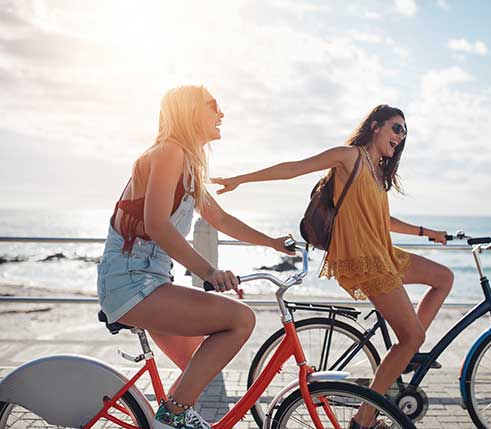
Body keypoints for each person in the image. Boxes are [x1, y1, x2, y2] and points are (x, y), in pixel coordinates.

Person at [213, 104, 454, 427]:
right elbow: (294, 169)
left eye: (405, 132)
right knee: (411, 337)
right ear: (375, 126)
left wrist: (427, 233)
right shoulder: (349, 157)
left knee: (443, 277)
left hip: (384, 254)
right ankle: (364, 418)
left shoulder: (379, 171)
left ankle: (405, 354)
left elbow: (384, 220)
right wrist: (240, 179)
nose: (401, 136)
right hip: (365, 261)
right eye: (397, 128)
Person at [96, 85, 293, 429]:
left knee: (195, 371)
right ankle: (173, 416)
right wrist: (210, 271)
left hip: (150, 281)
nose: (221, 113)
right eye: (213, 106)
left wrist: (273, 242)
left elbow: (221, 219)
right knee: (241, 320)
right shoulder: (169, 152)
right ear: (189, 112)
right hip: (131, 282)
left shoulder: (187, 164)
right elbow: (157, 224)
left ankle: (167, 420)